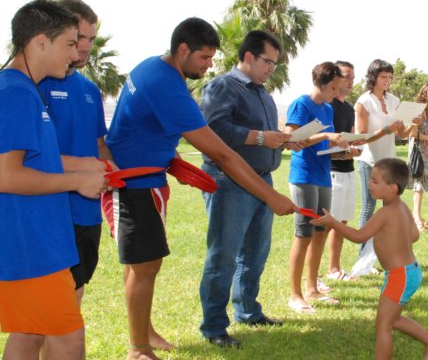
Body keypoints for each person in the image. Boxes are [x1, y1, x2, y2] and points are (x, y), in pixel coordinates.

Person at [104, 18, 296, 359]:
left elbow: (142, 125)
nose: (208, 66)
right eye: (204, 57)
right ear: (183, 49)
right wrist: (271, 196)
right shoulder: (167, 84)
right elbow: (222, 153)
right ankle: (138, 348)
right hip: (132, 183)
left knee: (141, 264)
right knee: (145, 265)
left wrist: (171, 157)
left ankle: (144, 332)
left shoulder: (154, 68)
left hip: (147, 180)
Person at [0, 0, 107, 360]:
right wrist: (75, 182)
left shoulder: (23, 90)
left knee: (28, 335)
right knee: (68, 339)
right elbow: (6, 175)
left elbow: (35, 159)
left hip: (38, 240)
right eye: (70, 43)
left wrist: (82, 165)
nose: (76, 54)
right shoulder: (15, 93)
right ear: (40, 42)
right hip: (33, 245)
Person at [198, 30, 293, 348]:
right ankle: (214, 327)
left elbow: (261, 136)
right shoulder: (223, 85)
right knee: (224, 256)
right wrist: (262, 137)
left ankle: (248, 311)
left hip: (262, 179)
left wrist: (284, 140)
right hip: (229, 182)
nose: (271, 69)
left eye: (275, 64)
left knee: (255, 253)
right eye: (268, 61)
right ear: (249, 56)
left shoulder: (263, 93)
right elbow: (213, 129)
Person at [314, 158, 428, 360]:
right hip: (409, 271)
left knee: (383, 326)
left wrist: (332, 222)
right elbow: (414, 235)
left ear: (392, 188)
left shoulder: (385, 213)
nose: (369, 184)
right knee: (393, 319)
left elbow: (359, 236)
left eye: (375, 181)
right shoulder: (402, 207)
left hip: (400, 276)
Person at [37, 0, 116, 307]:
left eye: (91, 39)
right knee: (47, 306)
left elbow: (99, 145)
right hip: (51, 210)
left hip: (88, 212)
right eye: (79, 38)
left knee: (75, 293)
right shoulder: (35, 85)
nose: (85, 47)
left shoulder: (90, 90)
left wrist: (113, 173)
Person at [285, 62, 349, 314]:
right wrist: (325, 136)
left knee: (321, 231)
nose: (336, 93)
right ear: (320, 83)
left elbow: (326, 145)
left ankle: (312, 288)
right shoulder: (301, 104)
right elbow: (292, 139)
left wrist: (344, 149)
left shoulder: (328, 109)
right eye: (333, 87)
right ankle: (295, 295)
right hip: (304, 176)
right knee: (304, 233)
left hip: (323, 176)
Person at [354, 60, 405, 244]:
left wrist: (413, 124)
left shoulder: (394, 101)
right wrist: (385, 131)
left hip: (389, 163)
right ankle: (363, 254)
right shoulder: (364, 101)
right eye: (383, 76)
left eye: (390, 77)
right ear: (373, 77)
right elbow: (361, 137)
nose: (387, 80)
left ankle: (388, 250)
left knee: (391, 207)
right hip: (369, 161)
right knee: (369, 207)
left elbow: (402, 134)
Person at [326, 60, 362, 281]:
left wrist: (356, 147)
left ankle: (334, 268)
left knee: (342, 223)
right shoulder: (327, 106)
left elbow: (350, 138)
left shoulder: (349, 109)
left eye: (353, 78)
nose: (350, 82)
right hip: (331, 172)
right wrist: (342, 151)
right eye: (347, 77)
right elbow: (323, 142)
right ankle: (316, 275)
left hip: (348, 170)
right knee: (328, 224)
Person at [401, 83, 428, 231]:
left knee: (421, 181)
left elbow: (422, 131)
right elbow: (412, 133)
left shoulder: (425, 109)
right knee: (419, 180)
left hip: (423, 149)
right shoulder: (417, 110)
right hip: (418, 150)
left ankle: (417, 215)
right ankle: (416, 217)